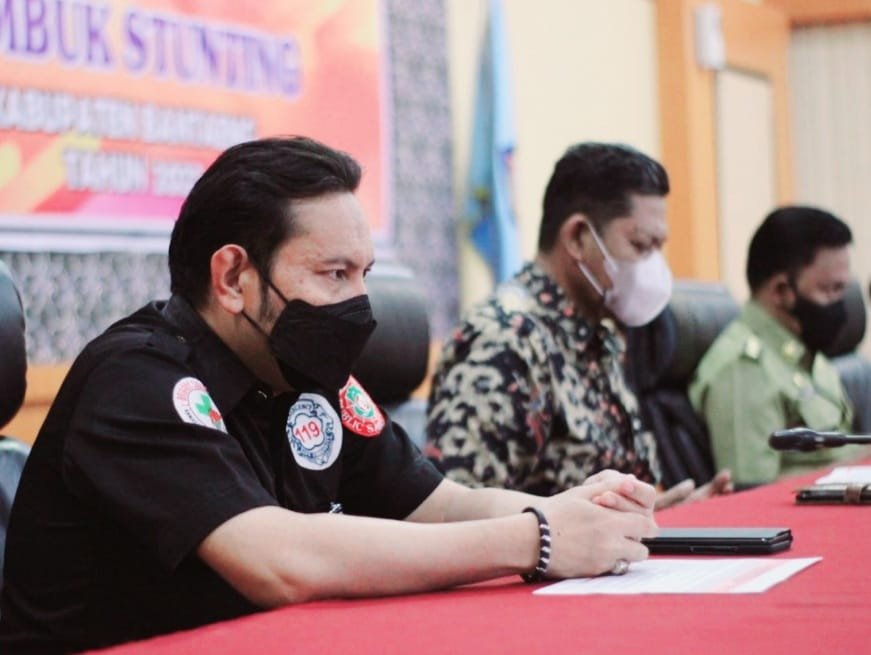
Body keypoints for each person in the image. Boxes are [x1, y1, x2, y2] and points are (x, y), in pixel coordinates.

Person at [0, 137, 658, 653]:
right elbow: (279, 561)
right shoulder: (136, 379)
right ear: (232, 277)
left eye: (363, 273)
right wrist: (537, 537)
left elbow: (442, 505)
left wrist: (579, 513)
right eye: (333, 273)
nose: (359, 303)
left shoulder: (302, 370)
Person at [426, 142, 731, 508]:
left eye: (657, 248)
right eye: (640, 245)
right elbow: (459, 514)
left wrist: (664, 515)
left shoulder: (600, 331)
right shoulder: (504, 340)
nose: (652, 267)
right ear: (577, 238)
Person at [689, 206, 859, 488]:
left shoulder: (806, 352)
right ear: (781, 290)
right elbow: (751, 491)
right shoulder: (743, 369)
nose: (841, 305)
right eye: (830, 289)